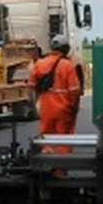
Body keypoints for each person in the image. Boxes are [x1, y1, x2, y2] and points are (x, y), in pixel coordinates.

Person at [28, 34, 82, 164]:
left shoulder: (40, 64)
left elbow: (31, 86)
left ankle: (46, 166)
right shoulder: (68, 66)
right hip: (64, 110)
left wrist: (36, 105)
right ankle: (60, 171)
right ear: (66, 48)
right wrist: (74, 108)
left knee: (46, 139)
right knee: (63, 141)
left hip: (46, 109)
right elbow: (74, 91)